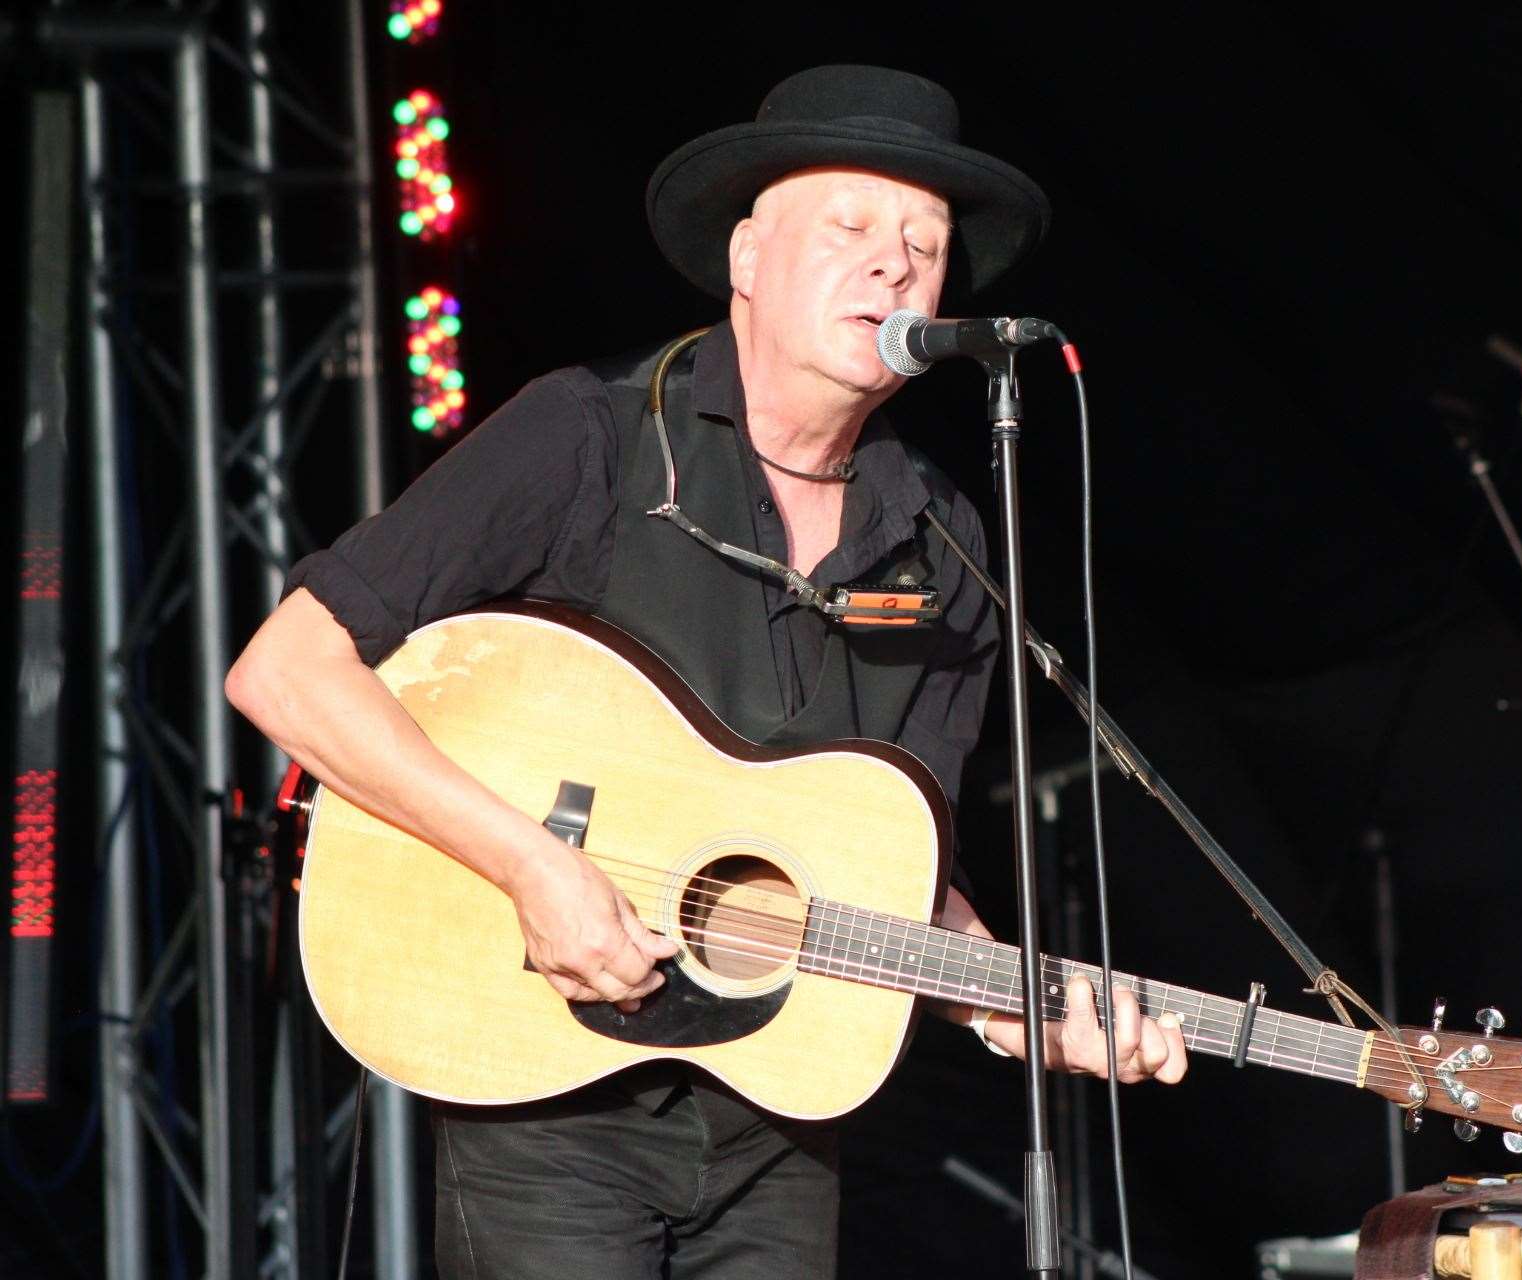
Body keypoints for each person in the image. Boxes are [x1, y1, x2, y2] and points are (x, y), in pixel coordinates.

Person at [226, 63, 1186, 1277]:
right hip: (546, 1112)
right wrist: (533, 865)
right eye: (851, 226)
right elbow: (287, 670)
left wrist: (1015, 1004)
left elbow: (901, 876)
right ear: (746, 257)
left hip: (782, 1125)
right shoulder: (587, 435)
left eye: (925, 243)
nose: (895, 264)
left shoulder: (943, 538)